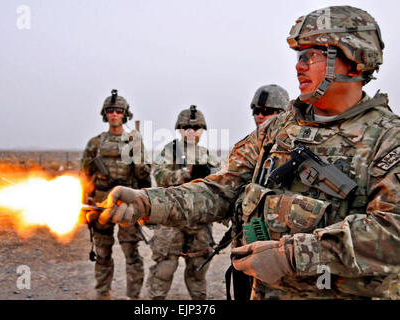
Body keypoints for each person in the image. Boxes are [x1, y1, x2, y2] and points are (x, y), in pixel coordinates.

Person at [89, 6, 399, 300]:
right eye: (298, 55)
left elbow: (392, 232)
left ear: (356, 61)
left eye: (313, 55)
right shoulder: (278, 129)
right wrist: (147, 203)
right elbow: (222, 189)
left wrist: (293, 255)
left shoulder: (388, 138)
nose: (299, 65)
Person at [80, 89, 151, 300]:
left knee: (131, 254)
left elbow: (143, 175)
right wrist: (85, 203)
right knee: (102, 254)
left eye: (118, 111)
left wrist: (136, 153)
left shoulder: (134, 141)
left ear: (124, 114)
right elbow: (85, 174)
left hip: (126, 204)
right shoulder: (95, 143)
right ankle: (103, 295)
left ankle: (134, 297)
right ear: (105, 114)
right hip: (101, 204)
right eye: (110, 111)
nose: (114, 114)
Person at [148, 105, 219, 300]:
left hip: (199, 221)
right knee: (165, 268)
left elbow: (220, 184)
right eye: (186, 127)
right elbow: (160, 177)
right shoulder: (170, 151)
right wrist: (186, 173)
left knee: (198, 272)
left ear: (202, 130)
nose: (191, 131)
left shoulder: (208, 156)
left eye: (195, 128)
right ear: (179, 128)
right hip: (172, 218)